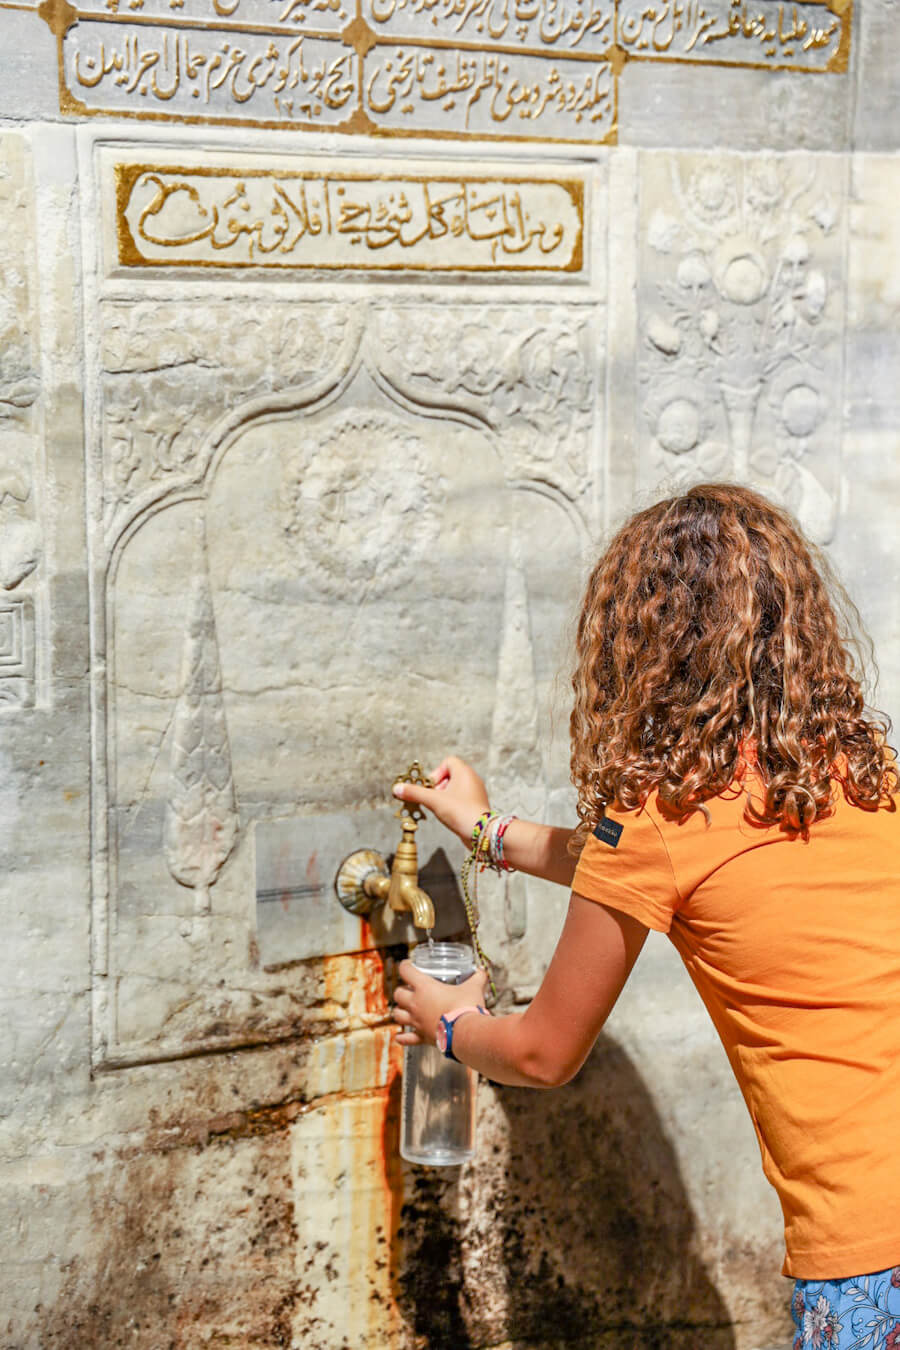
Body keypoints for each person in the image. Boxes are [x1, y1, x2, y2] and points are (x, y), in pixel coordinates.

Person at [390, 483, 900, 1349]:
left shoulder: (663, 820)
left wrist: (450, 1025)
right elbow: (633, 873)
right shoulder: (857, 776)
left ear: (643, 642)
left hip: (868, 1249)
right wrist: (485, 831)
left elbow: (545, 1054)